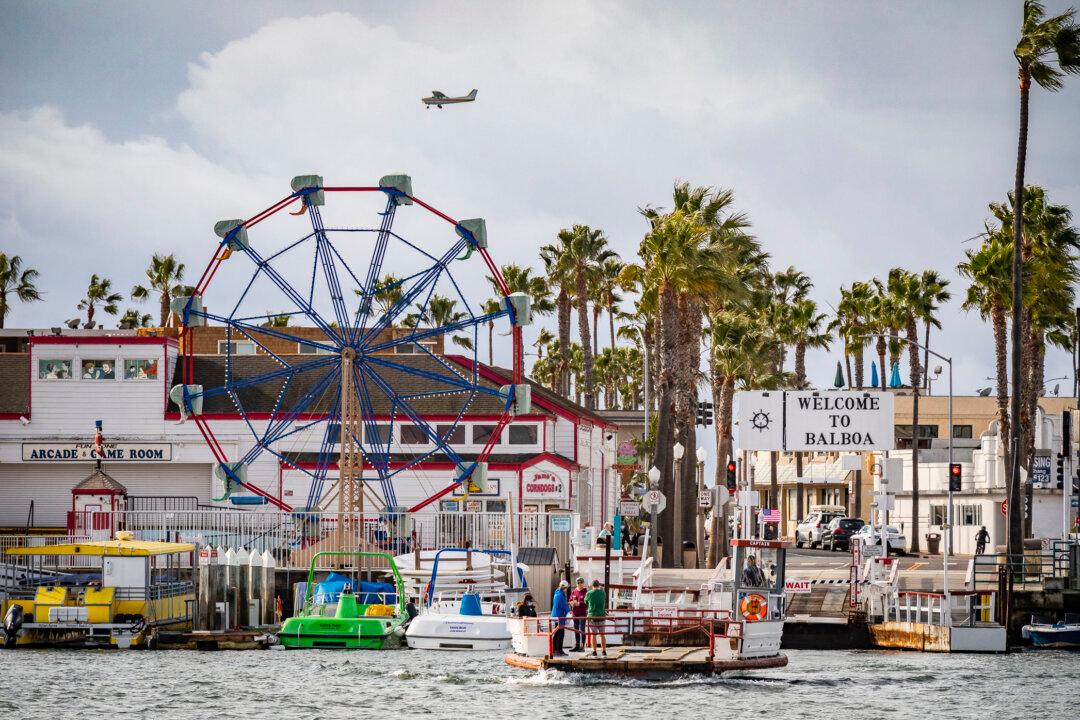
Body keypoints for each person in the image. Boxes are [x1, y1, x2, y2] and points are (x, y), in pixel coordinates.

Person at [585, 579, 607, 657]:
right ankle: (604, 651)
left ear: (592, 586)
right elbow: (604, 600)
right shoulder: (603, 593)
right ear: (599, 585)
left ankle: (594, 652)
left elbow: (586, 602)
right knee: (602, 635)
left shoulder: (589, 593)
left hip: (592, 616)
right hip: (601, 616)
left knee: (593, 635)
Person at [550, 580, 570, 656]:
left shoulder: (557, 593)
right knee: (560, 634)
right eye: (566, 588)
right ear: (564, 587)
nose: (566, 589)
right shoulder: (560, 595)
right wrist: (569, 610)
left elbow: (562, 605)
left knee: (557, 633)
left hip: (556, 616)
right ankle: (559, 650)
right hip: (559, 617)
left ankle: (555, 649)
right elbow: (563, 606)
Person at [568, 577, 588, 652]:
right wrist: (571, 603)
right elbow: (570, 600)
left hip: (582, 613)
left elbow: (587, 603)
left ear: (583, 583)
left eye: (581, 583)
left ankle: (582, 646)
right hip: (575, 613)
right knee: (576, 630)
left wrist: (579, 603)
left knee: (582, 629)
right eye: (578, 583)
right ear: (576, 583)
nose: (580, 584)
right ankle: (577, 645)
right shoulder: (574, 591)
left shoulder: (586, 591)